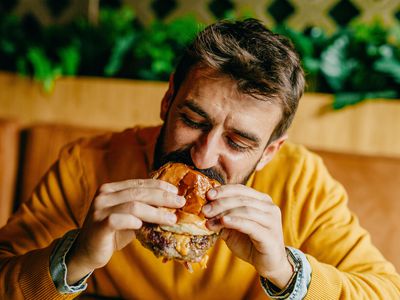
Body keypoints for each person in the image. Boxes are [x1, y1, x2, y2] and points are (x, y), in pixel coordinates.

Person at [0, 18, 399, 300]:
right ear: (167, 99)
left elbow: (384, 292)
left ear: (270, 152)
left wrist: (286, 271)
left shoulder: (301, 182)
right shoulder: (86, 165)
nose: (203, 154)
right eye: (192, 120)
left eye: (239, 142)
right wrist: (75, 256)